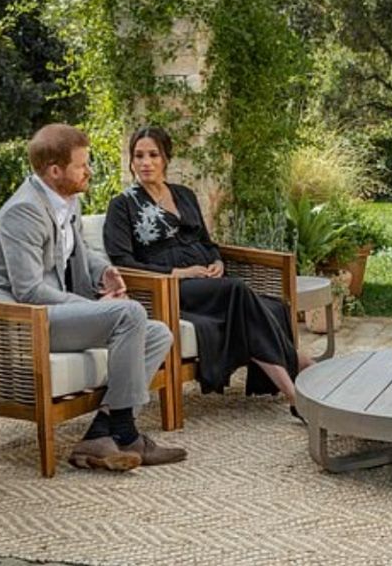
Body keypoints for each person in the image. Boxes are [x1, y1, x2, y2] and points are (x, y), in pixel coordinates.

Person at [0, 123, 187, 470]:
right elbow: (29, 290)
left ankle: (99, 435)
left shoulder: (66, 200)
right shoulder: (23, 212)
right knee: (130, 313)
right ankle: (126, 434)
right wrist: (94, 307)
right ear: (54, 171)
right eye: (81, 165)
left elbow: (80, 251)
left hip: (50, 312)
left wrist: (104, 271)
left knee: (158, 334)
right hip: (23, 322)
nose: (89, 171)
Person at [103, 126, 314, 421]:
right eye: (138, 156)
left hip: (207, 280)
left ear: (166, 158)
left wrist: (217, 261)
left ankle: (298, 380)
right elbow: (122, 261)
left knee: (269, 305)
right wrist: (177, 272)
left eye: (153, 155)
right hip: (171, 287)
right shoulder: (122, 205)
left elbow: (205, 241)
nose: (145, 163)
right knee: (237, 290)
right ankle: (297, 385)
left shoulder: (184, 195)